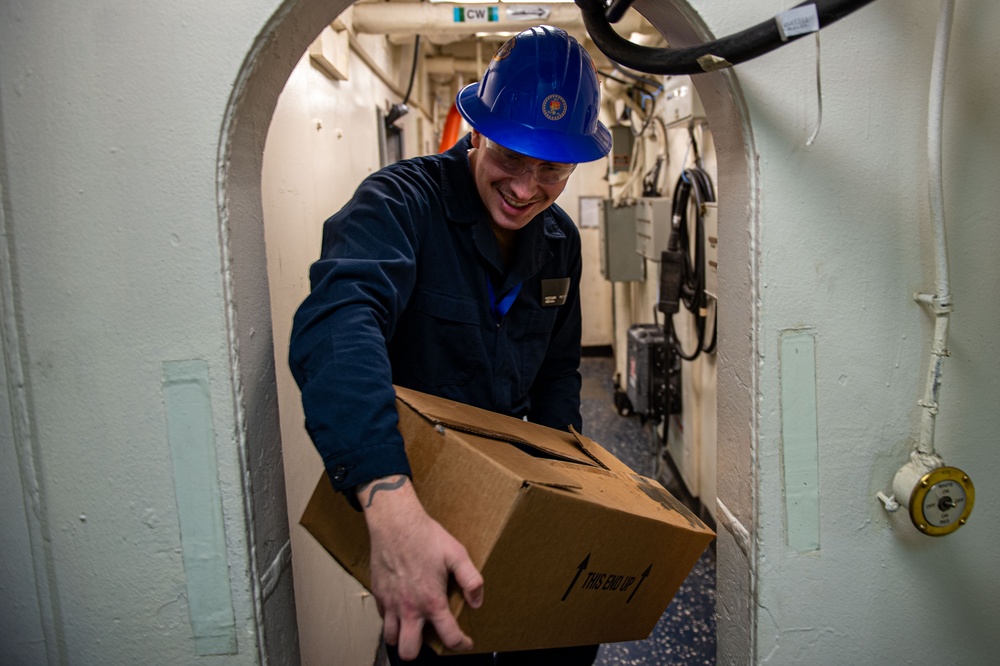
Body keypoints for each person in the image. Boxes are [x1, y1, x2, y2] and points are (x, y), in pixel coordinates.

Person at [289, 25, 612, 665]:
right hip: (419, 488)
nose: (526, 188)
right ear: (477, 131)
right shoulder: (399, 204)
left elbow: (556, 371)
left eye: (550, 167)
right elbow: (338, 320)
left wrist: (559, 498)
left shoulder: (560, 242)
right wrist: (387, 497)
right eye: (510, 157)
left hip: (514, 484)